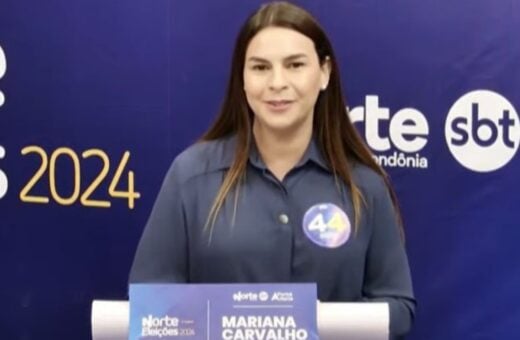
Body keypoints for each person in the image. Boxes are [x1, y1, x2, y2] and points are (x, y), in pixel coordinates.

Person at [130, 1, 415, 338]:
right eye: (261, 68)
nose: (277, 82)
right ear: (243, 79)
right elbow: (149, 305)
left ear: (324, 73)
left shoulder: (364, 187)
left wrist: (311, 320)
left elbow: (398, 308)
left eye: (295, 65)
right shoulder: (191, 175)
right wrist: (238, 318)